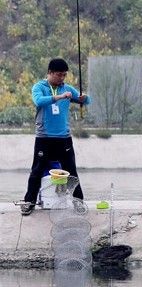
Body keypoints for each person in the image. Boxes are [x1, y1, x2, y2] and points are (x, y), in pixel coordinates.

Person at [20, 58, 91, 216]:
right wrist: (59, 97)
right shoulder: (39, 87)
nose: (62, 78)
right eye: (59, 75)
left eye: (64, 75)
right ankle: (29, 202)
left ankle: (78, 201)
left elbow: (87, 101)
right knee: (37, 171)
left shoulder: (67, 88)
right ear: (50, 73)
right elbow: (38, 101)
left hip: (64, 138)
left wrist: (83, 98)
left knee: (71, 170)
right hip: (44, 138)